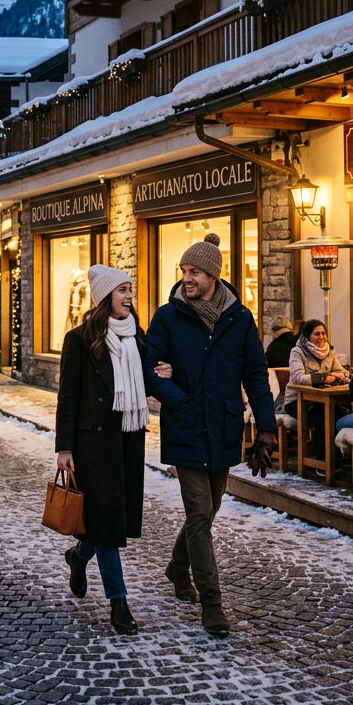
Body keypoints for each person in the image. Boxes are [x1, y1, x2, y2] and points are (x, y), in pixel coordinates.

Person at [145, 233, 277, 638]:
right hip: (185, 426)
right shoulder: (168, 317)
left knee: (209, 509)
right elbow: (149, 367)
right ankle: (212, 603)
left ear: (213, 276)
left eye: (195, 272)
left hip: (222, 427)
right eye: (184, 271)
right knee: (200, 514)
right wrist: (177, 399)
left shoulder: (240, 319)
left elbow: (255, 374)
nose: (187, 278)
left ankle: (176, 566)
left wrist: (267, 430)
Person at [56, 265, 160, 636]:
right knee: (107, 522)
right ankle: (119, 602)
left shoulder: (137, 336)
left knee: (109, 520)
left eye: (131, 289)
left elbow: (146, 377)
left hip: (128, 437)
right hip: (93, 442)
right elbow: (68, 396)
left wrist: (160, 373)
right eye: (122, 290)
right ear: (104, 297)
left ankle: (78, 555)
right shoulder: (80, 339)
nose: (129, 296)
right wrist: (64, 447)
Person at [279, 319, 348, 416]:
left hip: (322, 399)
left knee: (340, 411)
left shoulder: (330, 351)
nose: (321, 337)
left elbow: (340, 370)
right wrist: (322, 378)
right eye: (317, 334)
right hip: (298, 400)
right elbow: (298, 377)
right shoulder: (298, 351)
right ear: (308, 337)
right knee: (324, 414)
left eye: (323, 333)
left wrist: (341, 375)